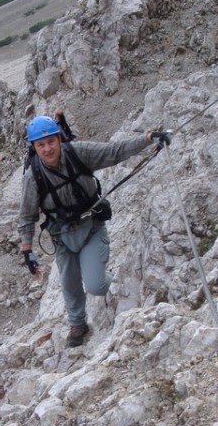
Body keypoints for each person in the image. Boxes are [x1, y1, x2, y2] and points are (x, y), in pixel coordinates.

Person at [18, 115, 170, 347]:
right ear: (34, 148)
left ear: (59, 139)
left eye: (51, 141)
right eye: (41, 144)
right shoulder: (33, 177)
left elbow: (114, 151)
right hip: (61, 237)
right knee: (69, 283)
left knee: (96, 286)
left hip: (90, 227)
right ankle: (78, 324)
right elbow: (27, 216)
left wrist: (148, 138)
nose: (47, 148)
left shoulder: (78, 153)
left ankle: (119, 284)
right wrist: (27, 251)